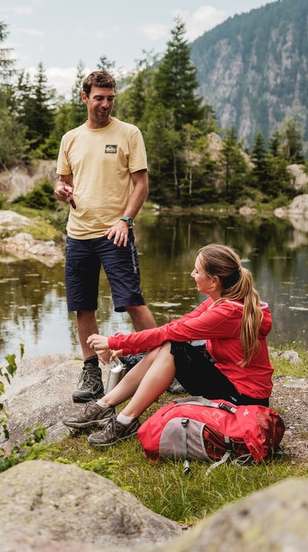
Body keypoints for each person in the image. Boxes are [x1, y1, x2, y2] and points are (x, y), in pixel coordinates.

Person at [62, 243, 274, 447]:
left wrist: (113, 341)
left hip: (243, 399)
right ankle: (105, 405)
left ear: (214, 281)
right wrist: (126, 348)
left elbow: (170, 333)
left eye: (197, 271)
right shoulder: (217, 301)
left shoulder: (227, 312)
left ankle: (125, 421)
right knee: (169, 342)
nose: (192, 274)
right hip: (230, 383)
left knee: (173, 346)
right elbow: (176, 326)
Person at [54, 70, 157, 404]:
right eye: (99, 98)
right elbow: (64, 181)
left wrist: (126, 220)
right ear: (85, 98)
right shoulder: (70, 138)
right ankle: (92, 373)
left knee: (132, 300)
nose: (105, 104)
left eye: (110, 98)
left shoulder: (129, 133)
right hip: (78, 234)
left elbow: (141, 184)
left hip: (115, 233)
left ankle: (164, 363)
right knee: (82, 305)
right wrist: (61, 189)